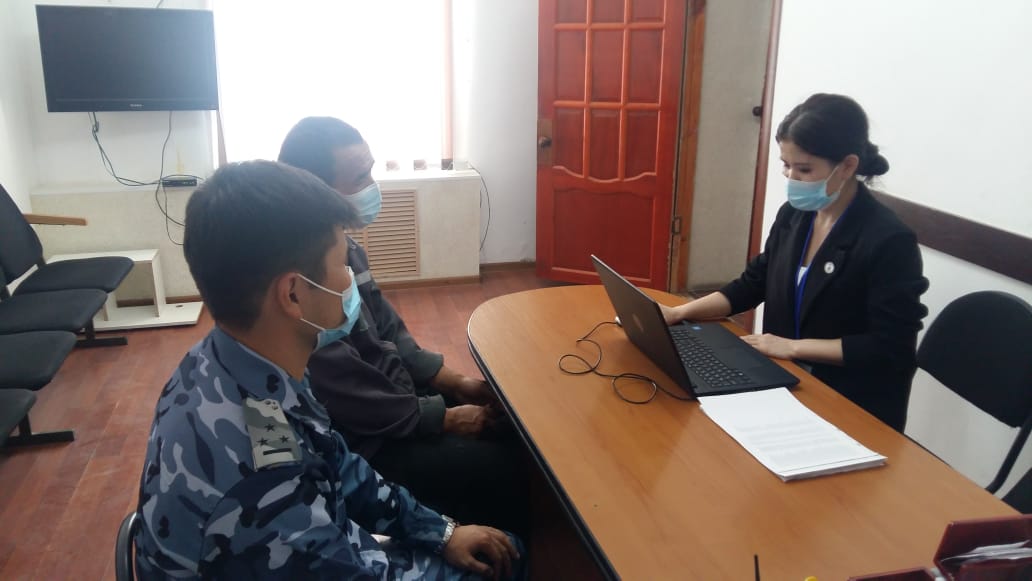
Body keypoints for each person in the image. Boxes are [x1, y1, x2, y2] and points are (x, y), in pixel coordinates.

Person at [134, 160, 523, 579]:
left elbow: (338, 465)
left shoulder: (232, 363)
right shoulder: (262, 480)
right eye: (342, 264)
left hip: (314, 546)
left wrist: (441, 532)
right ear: (293, 294)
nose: (350, 279)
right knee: (508, 560)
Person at [277, 117, 528, 535]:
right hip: (370, 437)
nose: (372, 186)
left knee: (513, 422)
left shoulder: (343, 249)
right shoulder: (304, 286)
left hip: (394, 402)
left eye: (371, 171)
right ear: (314, 191)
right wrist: (444, 419)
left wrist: (455, 384)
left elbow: (388, 330)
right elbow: (352, 394)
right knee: (503, 468)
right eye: (360, 177)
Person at [663, 94, 928, 431]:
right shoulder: (795, 215)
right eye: (785, 165)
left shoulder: (889, 240)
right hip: (784, 379)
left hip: (849, 399)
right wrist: (680, 312)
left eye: (804, 169)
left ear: (848, 166)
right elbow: (753, 283)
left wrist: (792, 347)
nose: (791, 178)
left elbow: (889, 346)